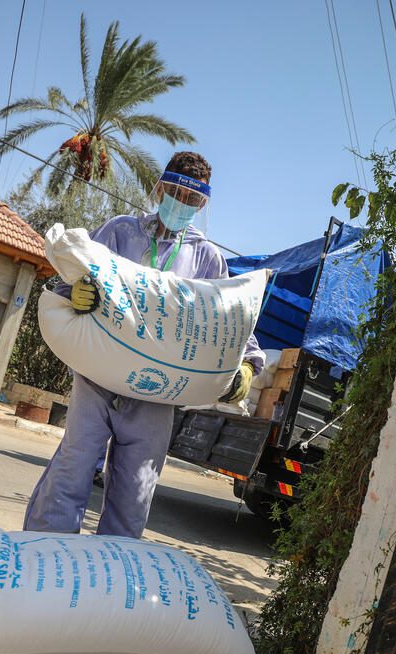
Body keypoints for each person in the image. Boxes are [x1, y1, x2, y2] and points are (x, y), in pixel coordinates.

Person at [25, 152, 264, 539]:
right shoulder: (121, 231)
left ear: (202, 204)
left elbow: (230, 321)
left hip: (158, 394)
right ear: (160, 188)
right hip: (98, 379)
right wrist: (76, 293)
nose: (181, 204)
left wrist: (248, 365)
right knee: (74, 466)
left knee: (136, 490)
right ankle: (43, 555)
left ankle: (108, 578)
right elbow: (74, 280)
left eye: (192, 201)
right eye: (174, 193)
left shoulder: (206, 258)